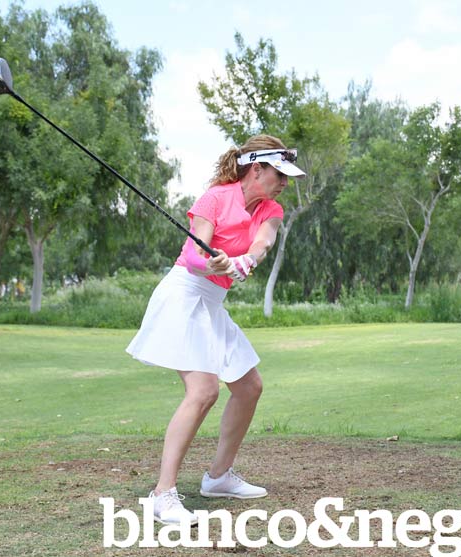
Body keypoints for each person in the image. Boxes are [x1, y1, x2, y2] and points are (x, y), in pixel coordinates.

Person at [126, 135, 305, 525]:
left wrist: (244, 262)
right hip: (184, 295)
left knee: (248, 386)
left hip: (212, 303)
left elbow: (263, 243)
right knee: (204, 390)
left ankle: (219, 477)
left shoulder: (271, 208)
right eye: (279, 175)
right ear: (256, 169)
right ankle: (162, 495)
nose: (284, 183)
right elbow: (193, 257)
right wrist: (214, 265)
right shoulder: (215, 198)